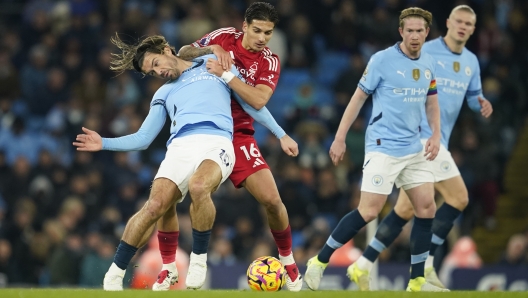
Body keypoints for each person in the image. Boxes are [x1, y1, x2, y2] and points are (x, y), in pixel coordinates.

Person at [73, 34, 293, 291]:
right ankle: (115, 273)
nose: (159, 72)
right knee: (155, 205)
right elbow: (144, 138)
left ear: (167, 50)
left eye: (156, 63)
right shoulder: (163, 92)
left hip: (217, 141)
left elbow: (251, 102)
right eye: (152, 71)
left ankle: (198, 261)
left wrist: (281, 134)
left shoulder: (213, 64)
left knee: (199, 187)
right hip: (180, 147)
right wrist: (104, 143)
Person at [304, 7, 449, 292]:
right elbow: (358, 99)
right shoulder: (382, 60)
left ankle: (417, 281)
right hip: (383, 146)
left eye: (420, 31)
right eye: (410, 30)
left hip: (413, 147)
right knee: (369, 211)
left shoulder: (430, 62)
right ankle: (318, 262)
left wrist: (435, 134)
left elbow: (432, 101)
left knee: (426, 207)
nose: (415, 36)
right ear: (401, 32)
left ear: (427, 33)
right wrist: (339, 137)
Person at [350, 5, 493, 290]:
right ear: (448, 23)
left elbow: (472, 97)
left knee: (406, 209)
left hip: (440, 139)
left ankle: (363, 264)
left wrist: (482, 103)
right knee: (459, 198)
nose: (463, 27)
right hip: (421, 139)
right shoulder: (424, 50)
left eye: (469, 24)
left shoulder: (472, 62)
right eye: (459, 21)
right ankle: (425, 267)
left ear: (473, 29)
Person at [176, 2, 303, 291]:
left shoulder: (269, 60)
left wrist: (227, 75)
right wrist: (210, 50)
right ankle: (193, 261)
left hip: (239, 135)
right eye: (257, 30)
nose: (262, 38)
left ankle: (288, 260)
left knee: (272, 200)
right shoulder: (223, 36)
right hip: (205, 127)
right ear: (244, 26)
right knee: (189, 193)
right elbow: (183, 53)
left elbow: (258, 100)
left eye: (268, 33)